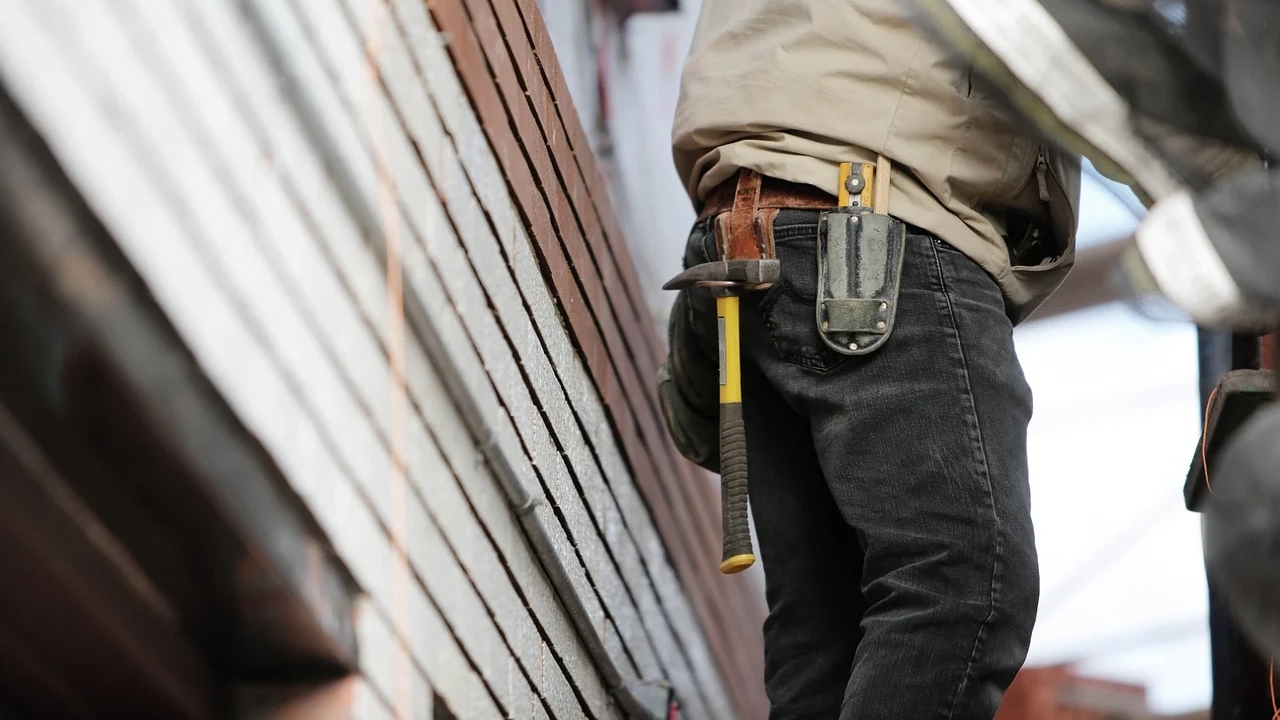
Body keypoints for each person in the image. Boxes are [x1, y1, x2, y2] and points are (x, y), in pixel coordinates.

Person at [657, 1, 1081, 717]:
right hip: (872, 225)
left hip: (752, 228)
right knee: (966, 582)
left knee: (826, 631)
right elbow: (1117, 67)